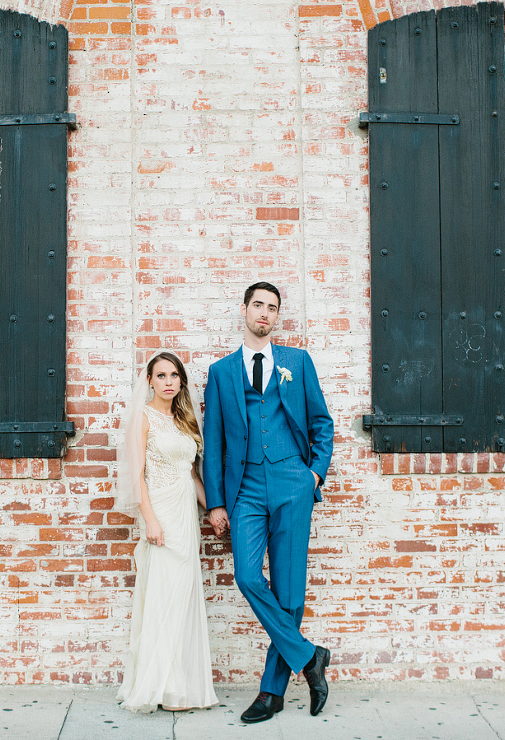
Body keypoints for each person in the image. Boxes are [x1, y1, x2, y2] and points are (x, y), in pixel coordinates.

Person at [202, 282, 334, 723]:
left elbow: (322, 422)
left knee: (289, 588)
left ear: (277, 317)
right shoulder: (221, 372)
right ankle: (309, 656)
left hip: (292, 482)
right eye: (258, 305)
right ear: (244, 309)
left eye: (272, 308)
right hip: (246, 489)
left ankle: (271, 693)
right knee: (246, 575)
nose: (264, 313)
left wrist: (313, 474)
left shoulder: (297, 362)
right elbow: (215, 442)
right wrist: (216, 502)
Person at [115, 351, 219, 714]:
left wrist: (215, 510)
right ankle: (155, 684)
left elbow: (191, 475)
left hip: (185, 516)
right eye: (161, 375)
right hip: (160, 514)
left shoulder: (184, 419)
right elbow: (137, 475)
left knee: (184, 596)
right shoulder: (142, 418)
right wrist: (150, 520)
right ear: (150, 381)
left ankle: (180, 687)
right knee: (163, 596)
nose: (169, 381)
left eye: (174, 375)